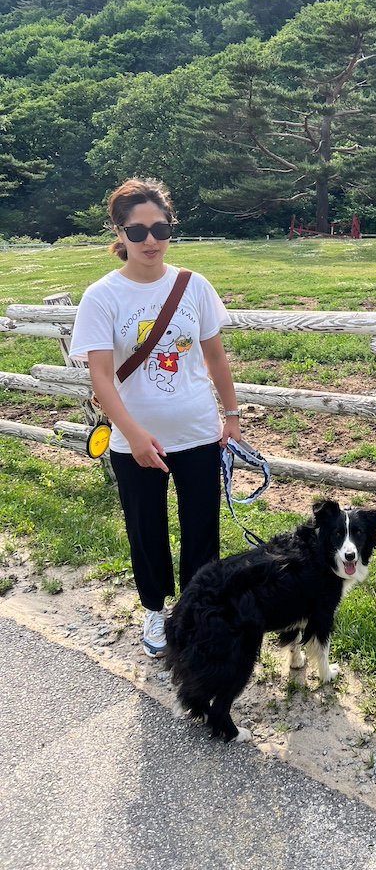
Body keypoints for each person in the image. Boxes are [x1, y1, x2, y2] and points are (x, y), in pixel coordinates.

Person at [70, 178, 241, 657]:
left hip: (197, 431)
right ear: (119, 233)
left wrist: (231, 414)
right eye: (137, 231)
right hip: (135, 439)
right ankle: (153, 610)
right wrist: (133, 434)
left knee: (201, 526)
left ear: (171, 229)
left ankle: (198, 610)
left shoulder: (193, 286)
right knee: (146, 530)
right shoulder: (102, 296)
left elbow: (216, 359)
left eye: (160, 229)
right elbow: (101, 377)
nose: (150, 241)